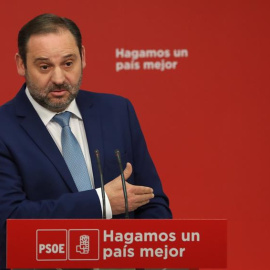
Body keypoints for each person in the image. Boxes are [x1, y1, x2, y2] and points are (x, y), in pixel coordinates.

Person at [0, 14, 172, 269]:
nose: (59, 78)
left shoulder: (117, 111)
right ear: (21, 64)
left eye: (68, 63)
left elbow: (152, 201)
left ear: (83, 56)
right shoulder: (4, 128)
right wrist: (101, 202)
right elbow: (10, 221)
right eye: (45, 67)